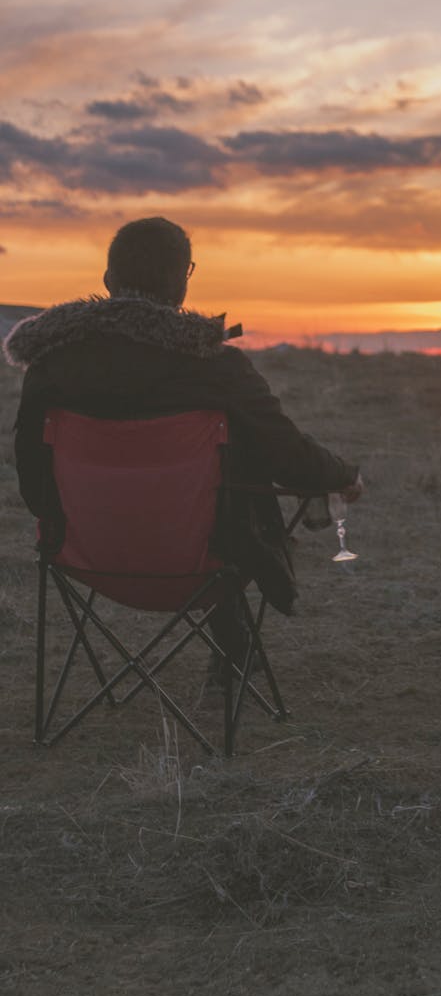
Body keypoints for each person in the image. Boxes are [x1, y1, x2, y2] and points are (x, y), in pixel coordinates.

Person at [5, 216, 362, 669]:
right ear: (182, 285)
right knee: (236, 462)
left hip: (83, 553)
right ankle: (236, 653)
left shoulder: (49, 367)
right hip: (203, 561)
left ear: (108, 281)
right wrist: (344, 474)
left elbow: (33, 479)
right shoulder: (217, 368)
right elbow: (288, 456)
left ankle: (234, 647)